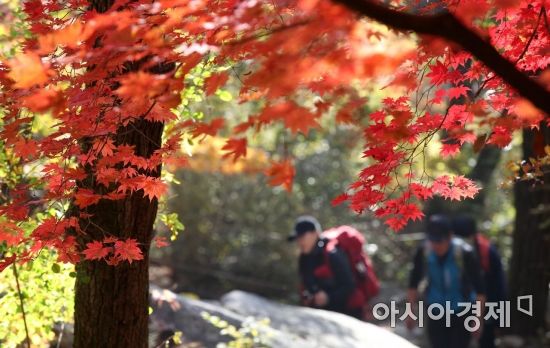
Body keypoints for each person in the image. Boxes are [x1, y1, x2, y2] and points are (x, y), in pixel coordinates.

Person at [407, 214, 486, 348]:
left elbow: (480, 289)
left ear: (450, 236)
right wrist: (410, 312)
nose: (436, 245)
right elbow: (413, 283)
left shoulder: (464, 253)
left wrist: (478, 319)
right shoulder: (424, 251)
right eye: (433, 241)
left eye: (440, 241)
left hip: (462, 312)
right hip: (435, 311)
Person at [288, 215, 362, 318]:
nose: (299, 241)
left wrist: (329, 297)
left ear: (315, 234)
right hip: (318, 314)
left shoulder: (333, 254)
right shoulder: (304, 258)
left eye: (302, 237)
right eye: (297, 238)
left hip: (345, 313)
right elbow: (306, 282)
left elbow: (349, 285)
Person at [453, 215, 507, 348]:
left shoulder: (487, 252)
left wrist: (499, 321)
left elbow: (499, 286)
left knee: (486, 341)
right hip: (458, 308)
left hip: (488, 306)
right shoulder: (449, 251)